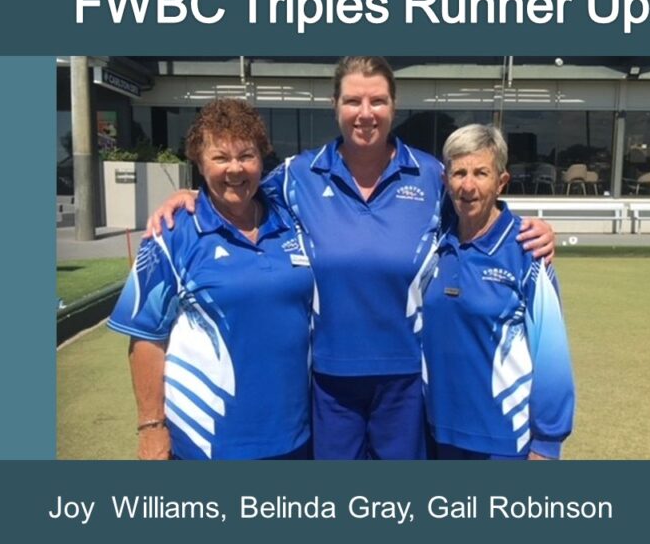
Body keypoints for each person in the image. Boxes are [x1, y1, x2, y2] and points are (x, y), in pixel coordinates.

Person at [148, 57, 556, 460]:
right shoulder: (297, 175)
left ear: (393, 107)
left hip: (407, 380)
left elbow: (478, 211)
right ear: (335, 106)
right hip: (328, 382)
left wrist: (531, 227)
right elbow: (237, 190)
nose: (365, 113)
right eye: (352, 101)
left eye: (377, 101)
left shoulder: (431, 175)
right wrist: (192, 198)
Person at [108, 100, 314, 460]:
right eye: (220, 158)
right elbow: (145, 339)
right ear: (200, 164)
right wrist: (151, 426)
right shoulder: (171, 234)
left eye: (246, 156)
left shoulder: (289, 217)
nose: (235, 169)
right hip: (207, 441)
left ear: (262, 160)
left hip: (296, 435)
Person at [423, 124, 574, 460]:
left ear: (501, 182)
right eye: (459, 173)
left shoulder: (527, 251)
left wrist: (547, 443)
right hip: (437, 434)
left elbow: (551, 354)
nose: (468, 185)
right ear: (446, 181)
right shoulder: (435, 245)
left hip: (504, 441)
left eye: (481, 173)